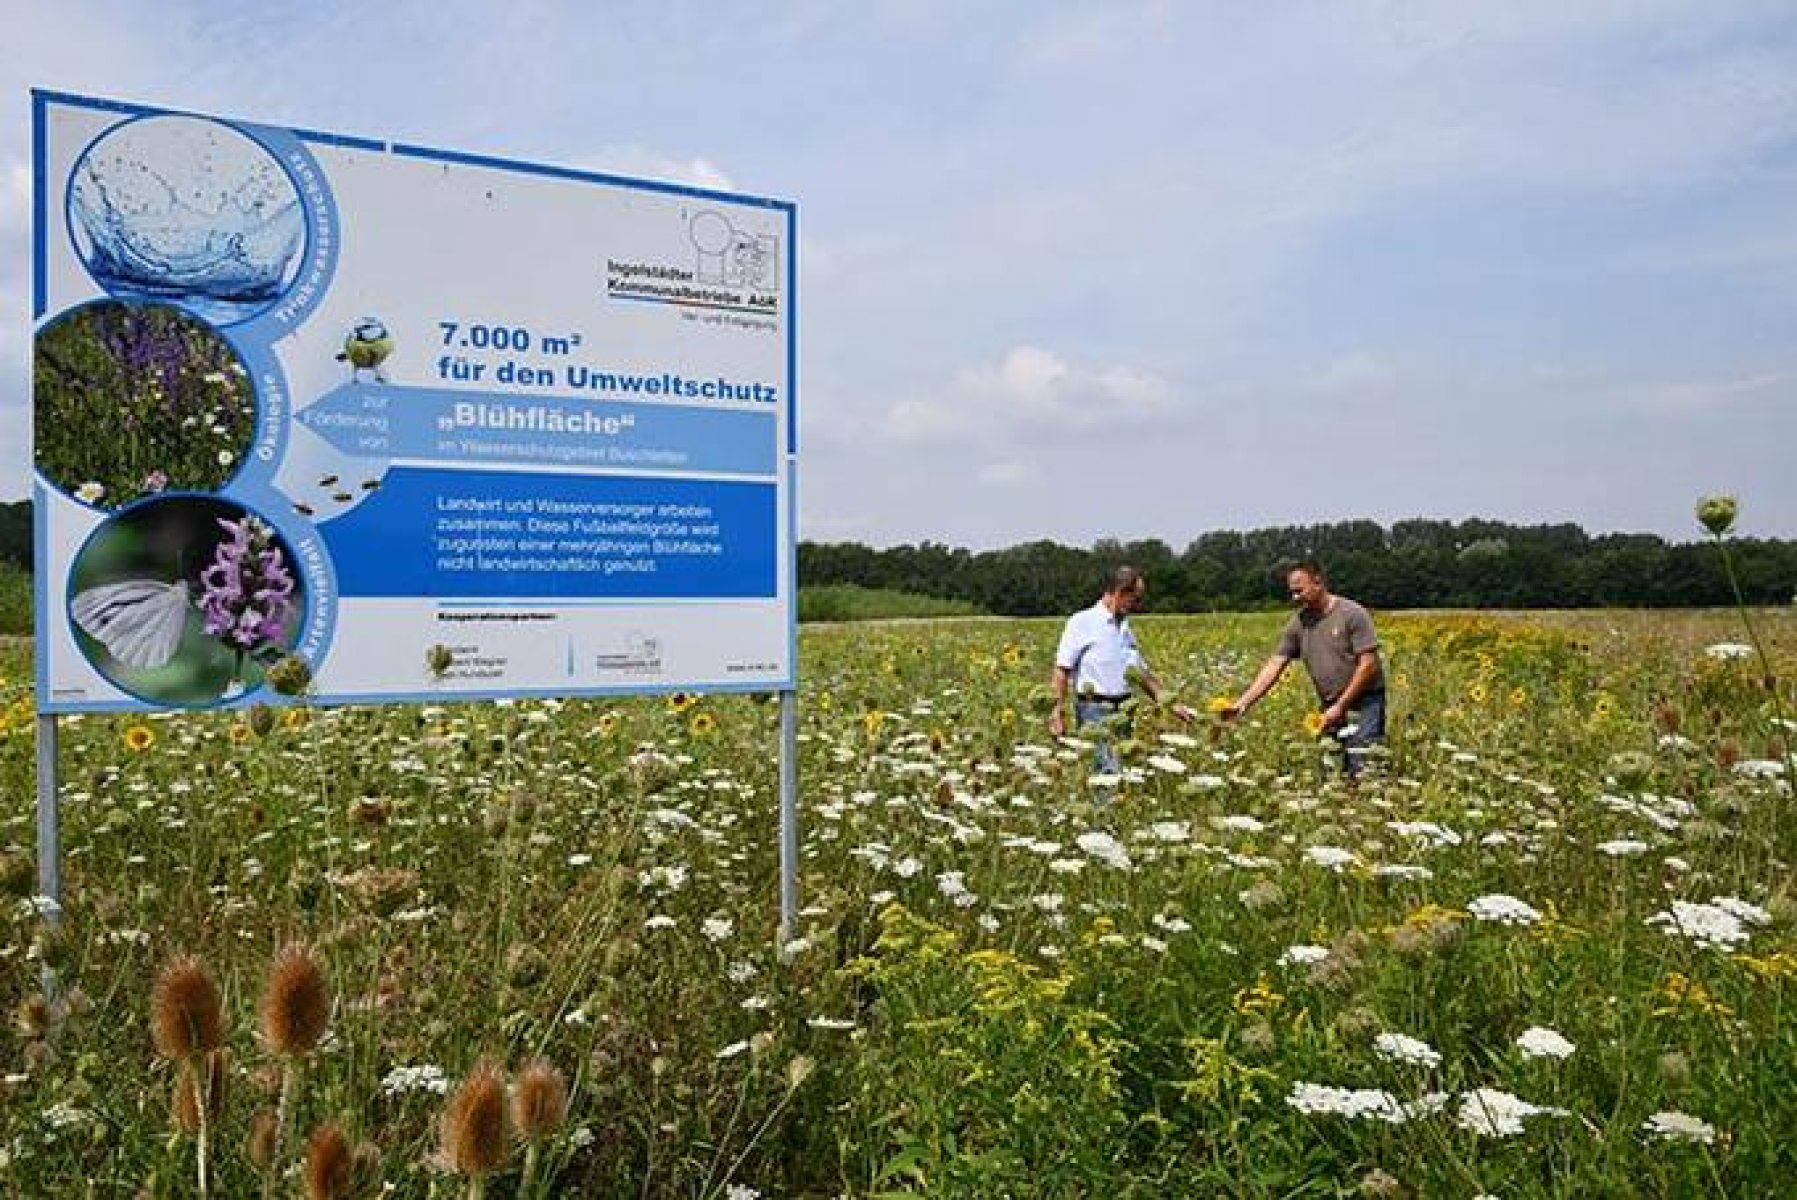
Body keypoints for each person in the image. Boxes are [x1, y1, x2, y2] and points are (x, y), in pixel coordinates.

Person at [1222, 560, 1385, 773]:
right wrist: (1243, 703)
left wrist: (1342, 705)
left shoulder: (1352, 614)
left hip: (1365, 702)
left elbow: (1368, 665)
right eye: (1292, 592)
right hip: (1330, 703)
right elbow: (1276, 663)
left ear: (1318, 582)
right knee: (1330, 767)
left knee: (1362, 763)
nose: (1294, 598)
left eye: (1299, 591)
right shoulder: (1299, 623)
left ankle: (1365, 803)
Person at [1049, 566, 1191, 773]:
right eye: (1135, 599)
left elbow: (1139, 671)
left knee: (1121, 771)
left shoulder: (1124, 627)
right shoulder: (1082, 621)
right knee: (1107, 771)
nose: (1137, 605)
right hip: (1095, 709)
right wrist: (1057, 713)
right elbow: (1062, 670)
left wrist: (1171, 703)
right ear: (1120, 592)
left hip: (1124, 709)